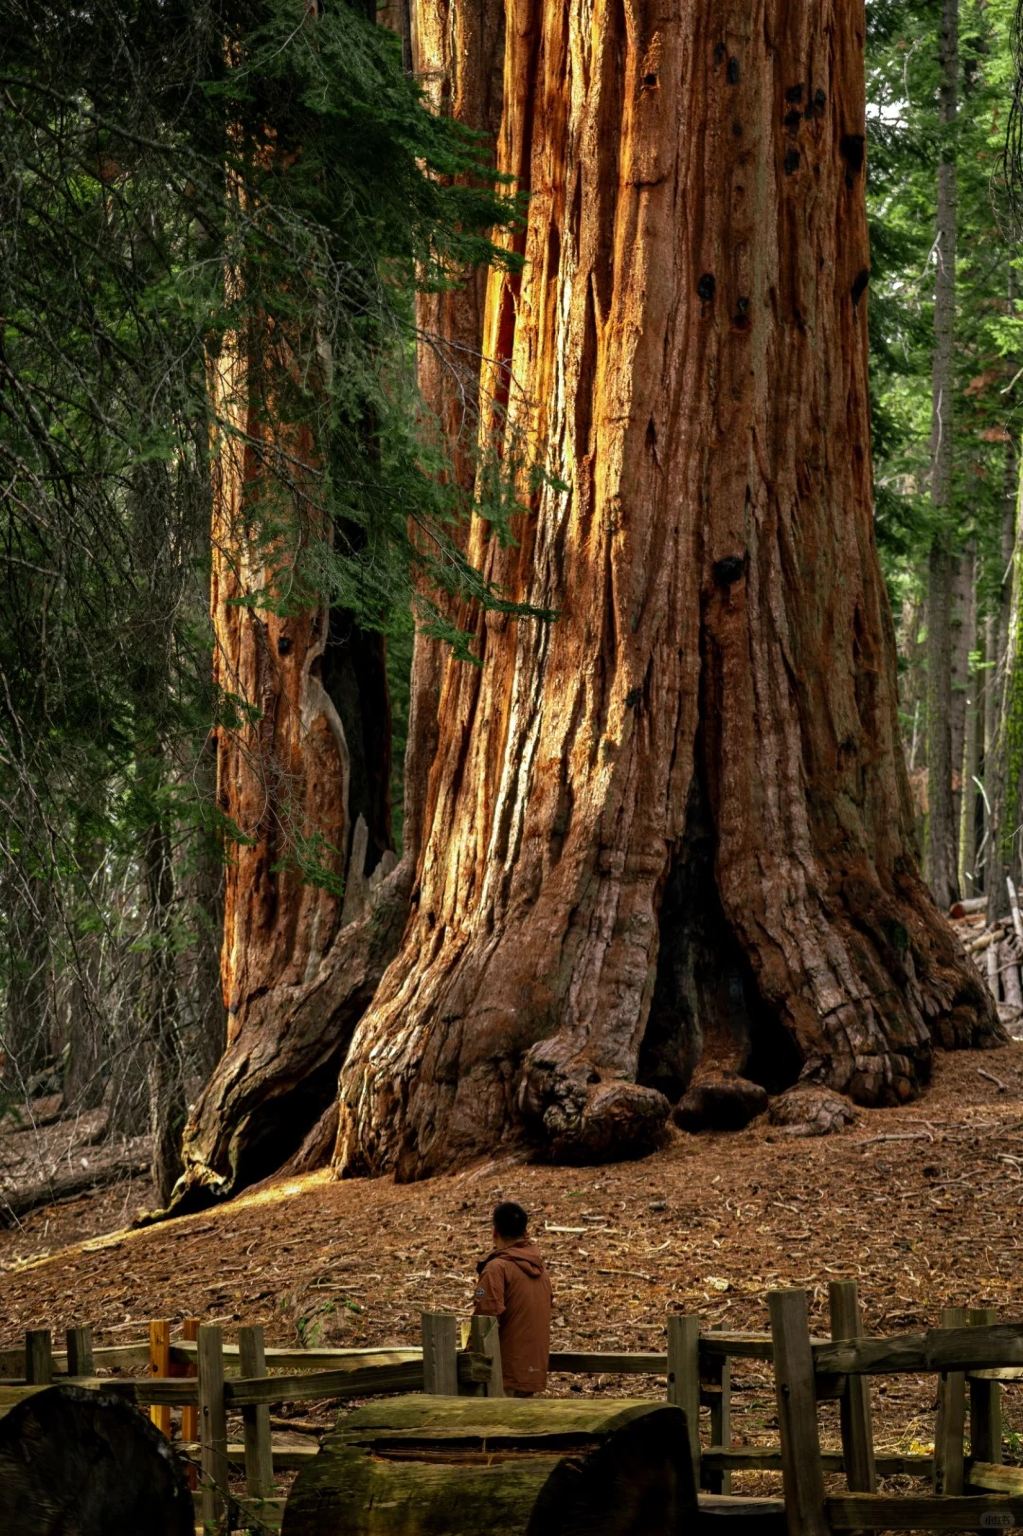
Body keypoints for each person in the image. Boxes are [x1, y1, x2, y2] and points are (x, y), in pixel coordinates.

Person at [473, 1201, 553, 1397]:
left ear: (494, 1232)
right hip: (533, 1373)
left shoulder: (495, 1269)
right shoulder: (541, 1271)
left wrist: (469, 1352)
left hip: (503, 1375)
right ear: (525, 1232)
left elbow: (485, 1315)